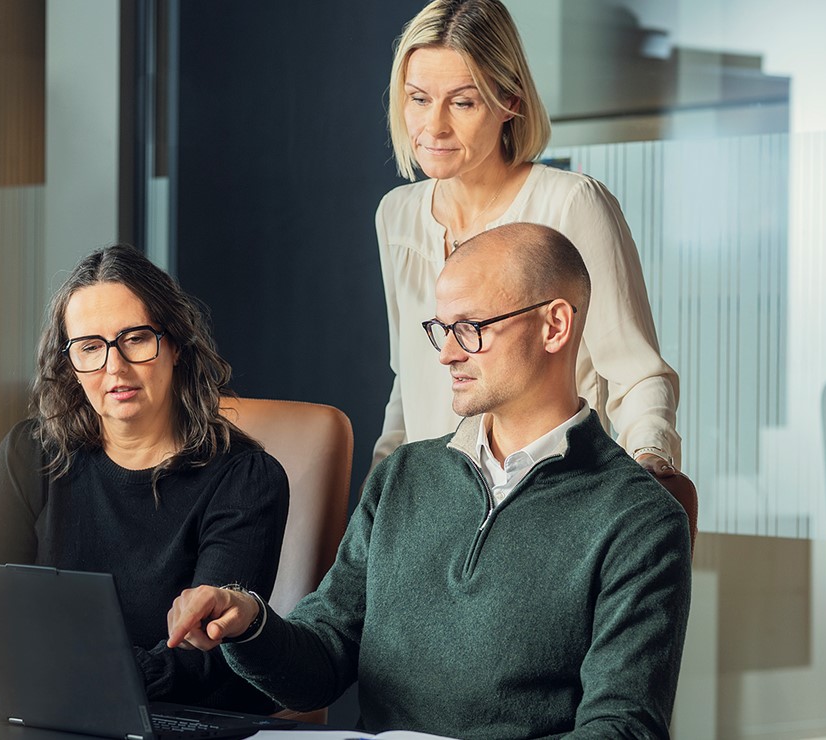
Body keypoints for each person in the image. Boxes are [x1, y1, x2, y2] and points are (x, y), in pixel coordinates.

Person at [168, 223, 692, 738]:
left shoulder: (639, 518)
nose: (446, 353)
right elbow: (323, 659)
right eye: (442, 329)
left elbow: (624, 727)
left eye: (471, 327)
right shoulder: (403, 475)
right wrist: (248, 623)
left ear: (554, 326)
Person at [0, 244, 289, 712]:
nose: (114, 367)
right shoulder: (29, 453)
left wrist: (57, 671)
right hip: (47, 714)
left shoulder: (246, 479)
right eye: (90, 347)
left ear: (175, 345)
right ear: (70, 363)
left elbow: (206, 659)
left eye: (135, 338)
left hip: (184, 721)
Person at [373, 0, 682, 479]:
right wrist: (383, 496)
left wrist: (647, 478)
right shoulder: (397, 214)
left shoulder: (572, 204)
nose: (433, 127)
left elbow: (638, 374)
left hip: (556, 491)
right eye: (418, 99)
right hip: (441, 504)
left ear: (510, 101)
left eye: (462, 102)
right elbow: (409, 382)